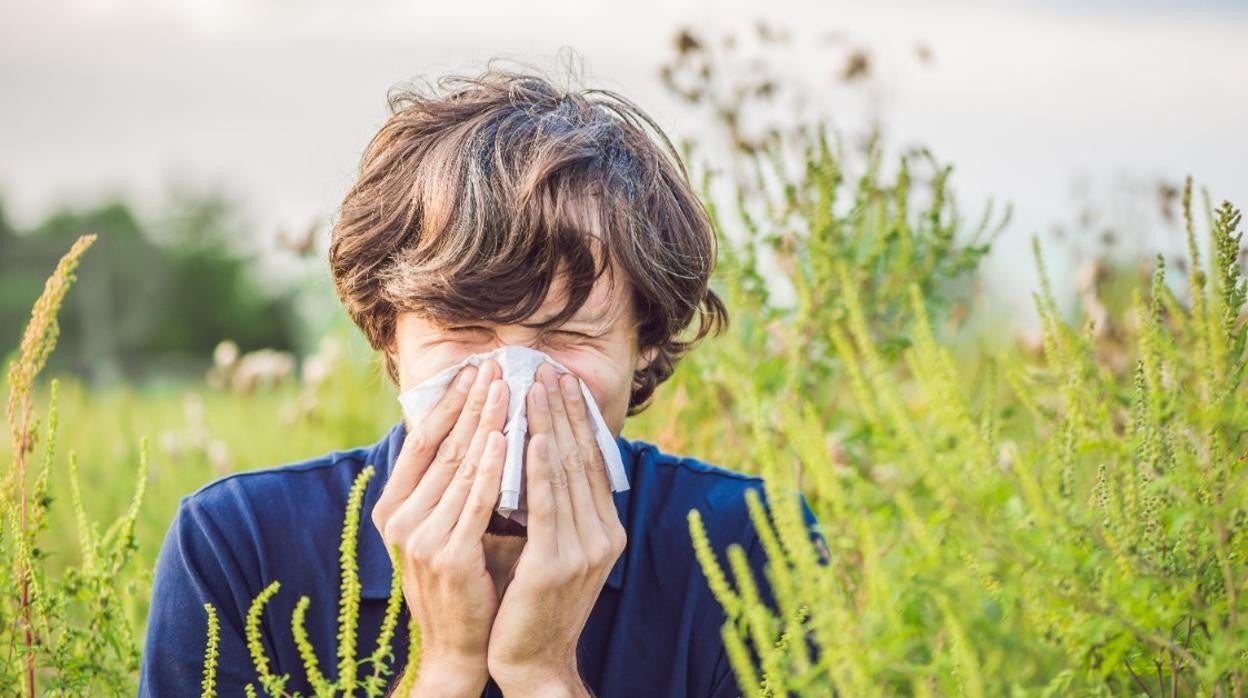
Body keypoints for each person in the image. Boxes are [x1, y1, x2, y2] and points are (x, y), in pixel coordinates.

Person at [139, 63, 821, 697]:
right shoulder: (240, 547)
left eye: (566, 337)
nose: (513, 384)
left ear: (643, 345)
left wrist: (543, 673)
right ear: (389, 334)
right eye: (465, 331)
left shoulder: (754, 549)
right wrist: (446, 669)